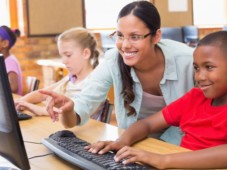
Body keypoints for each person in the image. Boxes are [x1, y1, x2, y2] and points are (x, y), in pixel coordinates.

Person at [85, 31, 227, 169]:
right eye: (196, 68)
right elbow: (147, 125)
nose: (200, 77)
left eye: (209, 67)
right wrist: (121, 142)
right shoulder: (194, 97)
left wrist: (163, 160)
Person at [40, 1, 194, 145]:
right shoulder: (113, 60)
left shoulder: (188, 60)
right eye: (120, 35)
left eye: (135, 37)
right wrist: (68, 109)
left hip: (182, 145)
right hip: (135, 143)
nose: (125, 45)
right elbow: (77, 114)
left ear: (156, 36)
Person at [15, 27, 101, 116]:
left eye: (68, 55)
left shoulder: (95, 84)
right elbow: (42, 93)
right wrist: (21, 102)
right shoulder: (71, 78)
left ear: (86, 53)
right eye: (62, 56)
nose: (64, 61)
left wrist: (36, 109)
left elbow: (73, 114)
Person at [0, 25, 23, 95]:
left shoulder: (10, 61)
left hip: (11, 104)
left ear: (5, 43)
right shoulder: (4, 60)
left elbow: (14, 87)